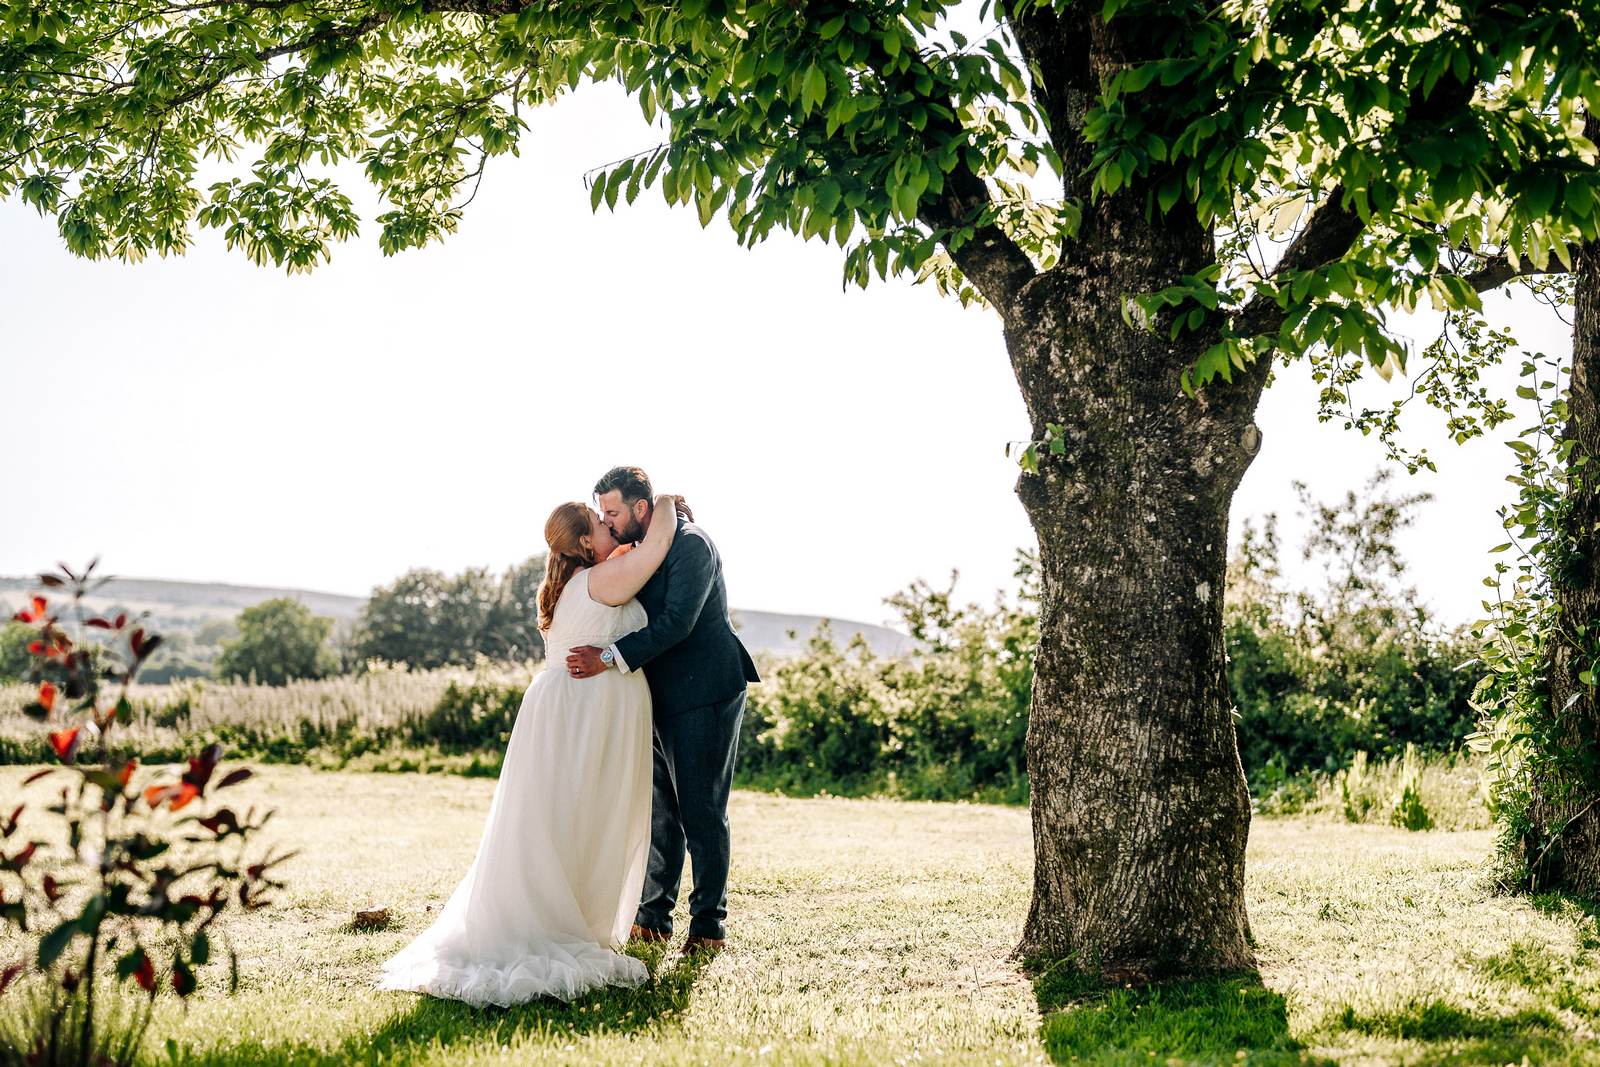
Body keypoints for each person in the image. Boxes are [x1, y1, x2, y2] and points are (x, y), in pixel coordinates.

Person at [377, 493, 680, 1006]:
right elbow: (656, 547)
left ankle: (570, 914)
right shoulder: (598, 582)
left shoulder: (570, 584)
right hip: (584, 716)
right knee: (580, 818)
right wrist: (665, 502)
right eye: (600, 522)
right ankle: (562, 922)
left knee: (562, 820)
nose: (608, 525)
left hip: (570, 712)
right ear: (584, 542)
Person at [567, 466, 760, 955]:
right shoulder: (641, 549)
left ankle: (709, 926)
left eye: (613, 513)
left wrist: (606, 657)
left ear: (640, 507)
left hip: (706, 691)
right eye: (603, 515)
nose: (607, 523)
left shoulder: (692, 545)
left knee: (702, 811)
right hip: (657, 695)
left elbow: (678, 622)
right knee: (661, 813)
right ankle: (654, 917)